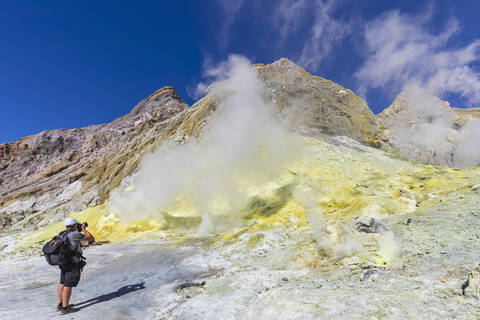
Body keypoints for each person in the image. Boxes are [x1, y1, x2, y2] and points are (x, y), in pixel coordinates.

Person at [57, 217, 94, 314]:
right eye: (76, 225)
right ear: (74, 225)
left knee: (62, 283)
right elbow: (90, 237)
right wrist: (83, 229)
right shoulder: (74, 234)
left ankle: (60, 304)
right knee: (68, 285)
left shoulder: (62, 234)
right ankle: (65, 308)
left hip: (63, 262)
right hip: (72, 263)